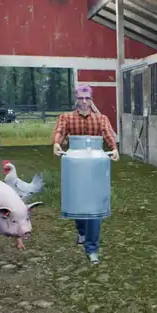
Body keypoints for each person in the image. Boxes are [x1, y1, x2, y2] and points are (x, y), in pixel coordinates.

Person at [52, 84, 120, 264]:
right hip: (76, 166)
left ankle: (92, 248)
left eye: (87, 98)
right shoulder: (67, 118)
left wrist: (114, 148)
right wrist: (57, 143)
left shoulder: (101, 119)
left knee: (94, 208)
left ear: (91, 100)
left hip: (95, 166)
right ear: (76, 99)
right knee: (78, 202)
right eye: (80, 98)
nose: (83, 102)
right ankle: (81, 231)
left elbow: (107, 134)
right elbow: (60, 131)